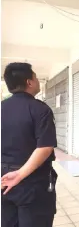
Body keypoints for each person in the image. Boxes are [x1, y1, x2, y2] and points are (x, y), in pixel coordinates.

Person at [1, 63, 58, 227]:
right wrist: (19, 174)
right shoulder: (40, 109)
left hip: (4, 180)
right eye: (35, 76)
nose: (37, 80)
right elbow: (45, 147)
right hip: (33, 182)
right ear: (29, 82)